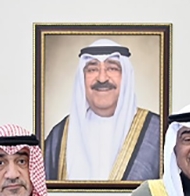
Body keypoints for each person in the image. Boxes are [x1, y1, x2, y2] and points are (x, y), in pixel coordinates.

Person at [43, 39, 161, 181]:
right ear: (82, 78)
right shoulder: (59, 135)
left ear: (126, 77)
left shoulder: (156, 132)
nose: (102, 78)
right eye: (92, 70)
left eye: (112, 68)